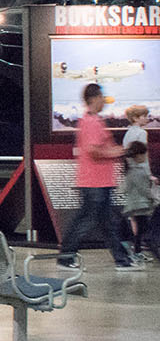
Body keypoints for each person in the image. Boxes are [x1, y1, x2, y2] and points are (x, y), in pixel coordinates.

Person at [58, 83, 140, 270]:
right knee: (87, 220)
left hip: (98, 181)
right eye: (102, 97)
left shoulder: (92, 121)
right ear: (93, 99)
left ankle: (122, 260)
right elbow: (94, 151)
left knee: (105, 223)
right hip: (94, 182)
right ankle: (66, 257)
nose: (105, 100)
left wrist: (119, 151)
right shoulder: (92, 123)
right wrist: (120, 153)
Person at [121, 140, 159, 262]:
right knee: (146, 231)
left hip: (133, 206)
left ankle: (136, 251)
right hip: (142, 206)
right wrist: (154, 198)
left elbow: (123, 189)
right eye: (144, 154)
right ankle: (151, 253)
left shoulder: (129, 172)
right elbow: (145, 190)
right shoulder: (140, 172)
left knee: (140, 231)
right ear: (138, 155)